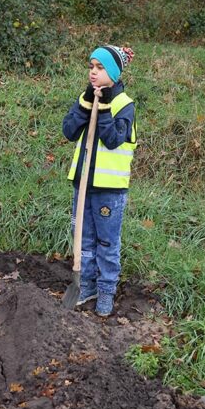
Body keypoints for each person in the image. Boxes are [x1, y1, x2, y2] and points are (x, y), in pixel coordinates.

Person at [61, 46, 137, 317]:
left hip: (110, 190)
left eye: (100, 68)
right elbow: (69, 130)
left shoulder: (124, 105)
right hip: (83, 184)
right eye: (91, 66)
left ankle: (106, 291)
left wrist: (103, 108)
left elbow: (114, 139)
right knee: (84, 239)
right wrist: (85, 106)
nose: (93, 72)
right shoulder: (85, 98)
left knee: (106, 242)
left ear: (114, 73)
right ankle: (87, 285)